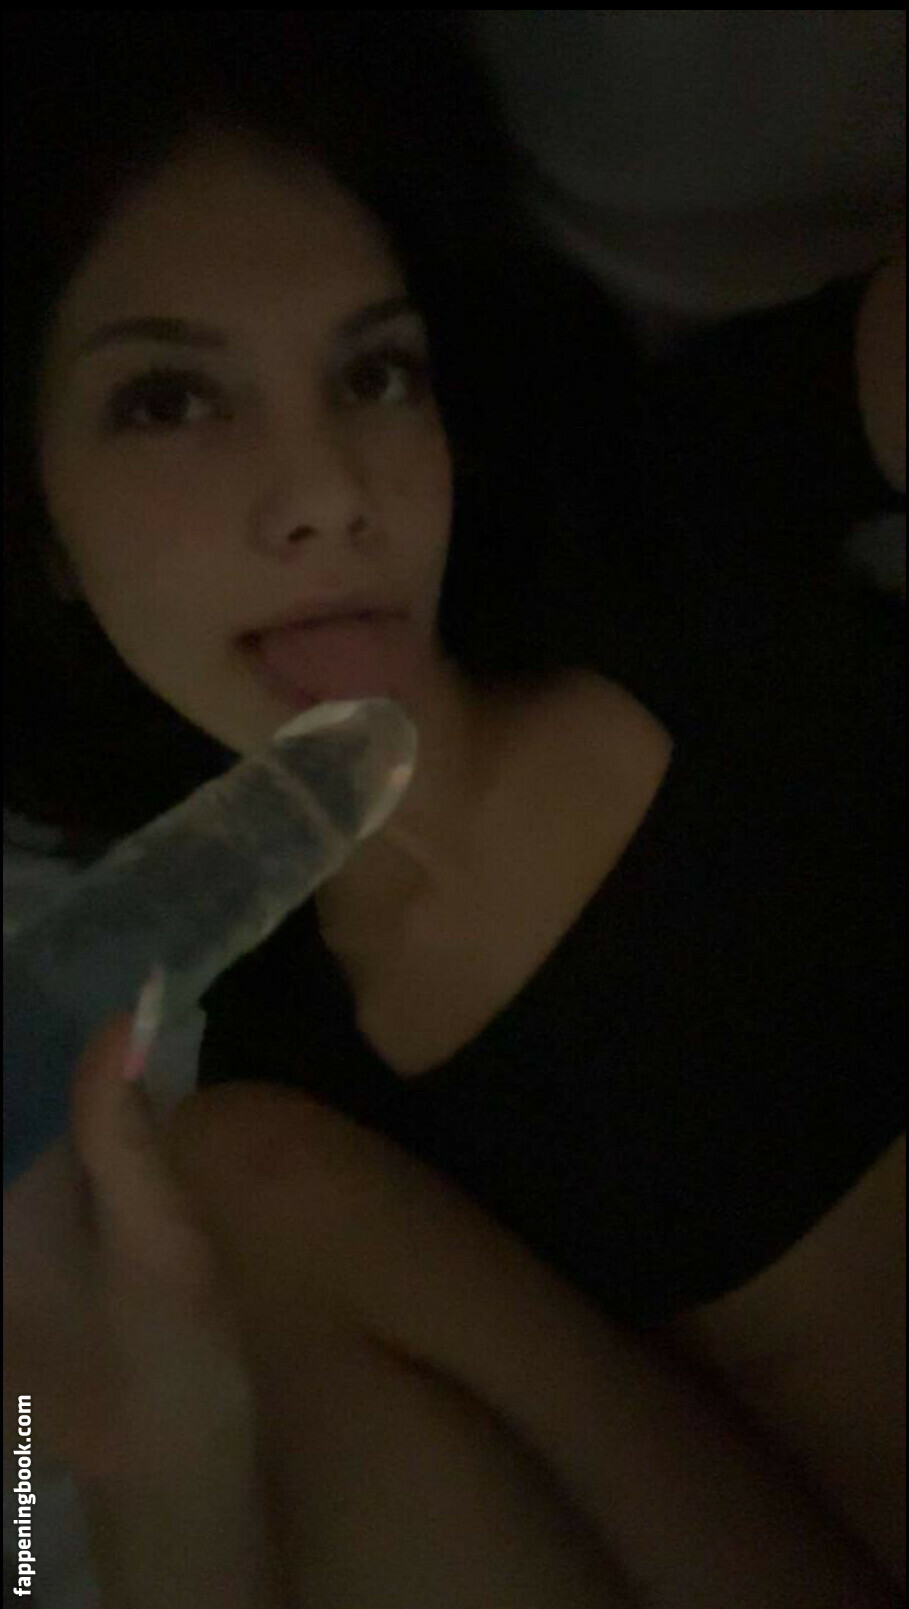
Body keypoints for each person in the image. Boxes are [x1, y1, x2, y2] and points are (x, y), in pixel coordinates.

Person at [4, 11, 905, 1608]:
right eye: (170, 401)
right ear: (44, 530)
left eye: (375, 373)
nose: (330, 492)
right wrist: (123, 1439)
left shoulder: (643, 526)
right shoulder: (288, 1116)